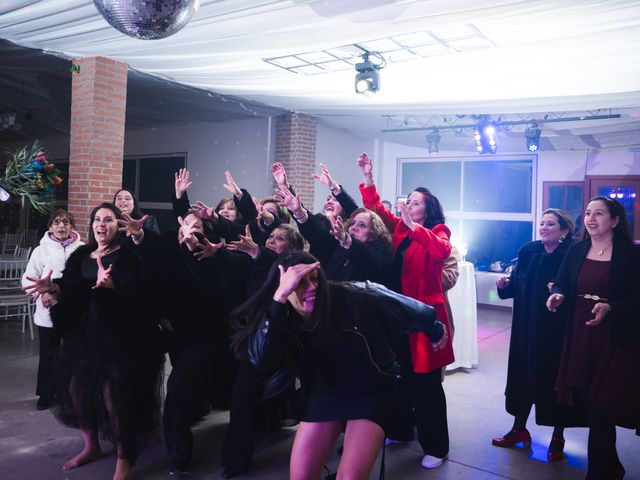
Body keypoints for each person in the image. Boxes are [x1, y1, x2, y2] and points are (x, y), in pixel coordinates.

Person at [231, 250, 448, 480]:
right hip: (326, 392)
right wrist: (279, 300)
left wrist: (434, 329)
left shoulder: (353, 294)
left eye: (314, 279)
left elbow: (411, 308)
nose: (311, 287)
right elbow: (260, 359)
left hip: (370, 389)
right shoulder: (280, 314)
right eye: (299, 283)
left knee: (350, 478)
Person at [23, 203, 164, 480]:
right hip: (86, 334)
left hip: (121, 335)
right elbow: (71, 286)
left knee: (115, 396)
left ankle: (125, 456)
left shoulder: (129, 253)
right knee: (76, 390)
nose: (102, 224)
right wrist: (54, 288)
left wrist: (114, 284)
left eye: (108, 220)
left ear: (118, 225)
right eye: (97, 219)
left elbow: (143, 280)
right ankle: (92, 447)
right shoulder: (83, 254)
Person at [357, 152, 454, 469]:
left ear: (427, 209)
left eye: (415, 202)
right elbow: (375, 209)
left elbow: (440, 251)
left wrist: (414, 226)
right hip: (398, 313)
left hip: (426, 316)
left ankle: (437, 447)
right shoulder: (399, 228)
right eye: (408, 201)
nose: (408, 205)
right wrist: (368, 178)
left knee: (427, 385)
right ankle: (400, 430)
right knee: (401, 377)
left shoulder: (438, 231)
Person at [547, 196, 639, 479]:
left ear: (614, 220)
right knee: (592, 407)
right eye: (588, 213)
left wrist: (611, 307)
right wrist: (557, 294)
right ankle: (611, 467)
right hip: (580, 332)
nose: (591, 218)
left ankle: (599, 473)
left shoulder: (630, 254)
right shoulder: (577, 250)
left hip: (614, 338)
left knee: (601, 408)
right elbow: (562, 282)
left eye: (599, 213)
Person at [491, 208, 585, 462]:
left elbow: (579, 293)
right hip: (525, 327)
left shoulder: (572, 255)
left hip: (556, 331)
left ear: (564, 231)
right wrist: (504, 287)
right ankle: (519, 429)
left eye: (550, 224)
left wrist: (561, 293)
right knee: (522, 378)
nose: (543, 228)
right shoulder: (529, 251)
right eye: (542, 224)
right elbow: (517, 287)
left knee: (555, 381)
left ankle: (558, 435)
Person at [21, 209, 84, 410]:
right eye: (57, 222)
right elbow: (28, 278)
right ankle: (46, 393)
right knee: (49, 354)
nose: (61, 226)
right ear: (50, 226)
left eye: (66, 222)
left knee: (73, 354)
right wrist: (43, 292)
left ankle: (70, 394)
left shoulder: (81, 249)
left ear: (72, 226)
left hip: (74, 312)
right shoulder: (41, 251)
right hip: (48, 312)